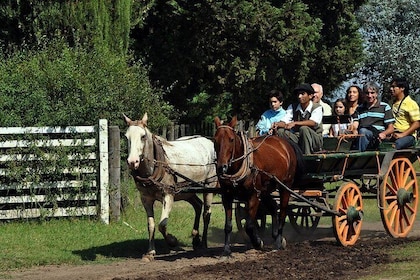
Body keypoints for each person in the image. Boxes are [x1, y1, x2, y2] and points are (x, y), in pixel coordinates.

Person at [273, 83, 323, 154]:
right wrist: (277, 124)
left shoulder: (317, 107)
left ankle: (307, 156)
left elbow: (313, 122)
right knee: (280, 131)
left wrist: (295, 123)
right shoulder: (292, 107)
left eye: (302, 94)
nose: (299, 96)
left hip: (314, 140)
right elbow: (284, 121)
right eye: (298, 94)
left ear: (310, 96)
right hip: (298, 138)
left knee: (304, 129)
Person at [357, 81, 394, 152]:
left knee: (363, 132)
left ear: (377, 94)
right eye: (367, 93)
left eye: (372, 93)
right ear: (364, 95)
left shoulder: (384, 107)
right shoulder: (359, 109)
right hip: (362, 136)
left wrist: (384, 133)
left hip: (377, 136)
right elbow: (356, 125)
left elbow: (391, 128)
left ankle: (361, 156)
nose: (369, 96)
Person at [389, 77, 420, 149]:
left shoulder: (410, 103)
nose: (391, 89)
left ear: (402, 88)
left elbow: (417, 123)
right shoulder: (394, 103)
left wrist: (403, 134)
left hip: (408, 136)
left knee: (396, 145)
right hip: (394, 134)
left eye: (394, 87)